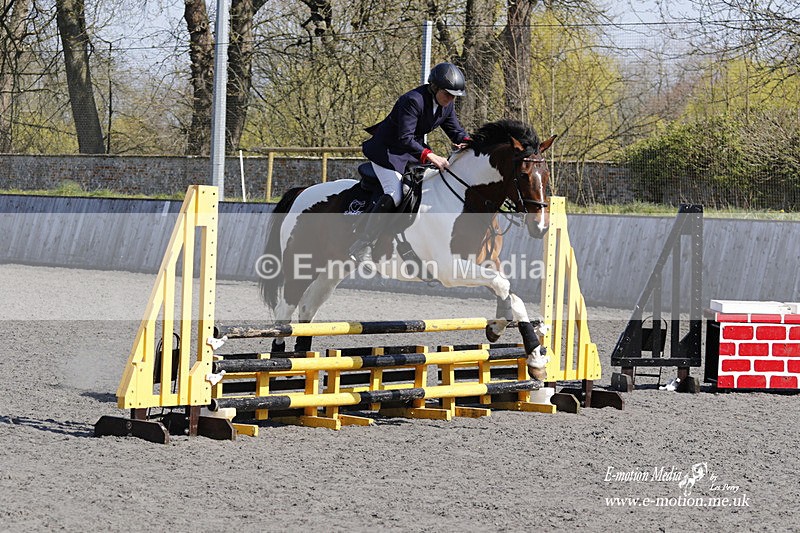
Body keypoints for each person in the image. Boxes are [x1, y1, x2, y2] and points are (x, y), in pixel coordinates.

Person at [349, 62, 471, 266]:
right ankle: (363, 243)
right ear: (435, 87)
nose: (451, 100)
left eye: (453, 96)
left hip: (409, 152)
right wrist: (430, 155)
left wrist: (470, 143)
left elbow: (455, 131)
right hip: (387, 152)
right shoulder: (412, 101)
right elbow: (405, 138)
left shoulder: (446, 104)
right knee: (395, 193)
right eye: (448, 94)